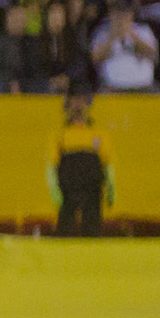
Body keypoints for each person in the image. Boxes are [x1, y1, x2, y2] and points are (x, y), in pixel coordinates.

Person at [50, 81, 112, 234]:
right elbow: (52, 165)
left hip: (92, 188)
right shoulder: (60, 135)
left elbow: (107, 163)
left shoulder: (99, 133)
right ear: (67, 106)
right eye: (74, 101)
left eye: (82, 101)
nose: (78, 106)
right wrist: (54, 189)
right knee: (66, 225)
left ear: (88, 104)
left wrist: (111, 187)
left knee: (92, 224)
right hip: (68, 188)